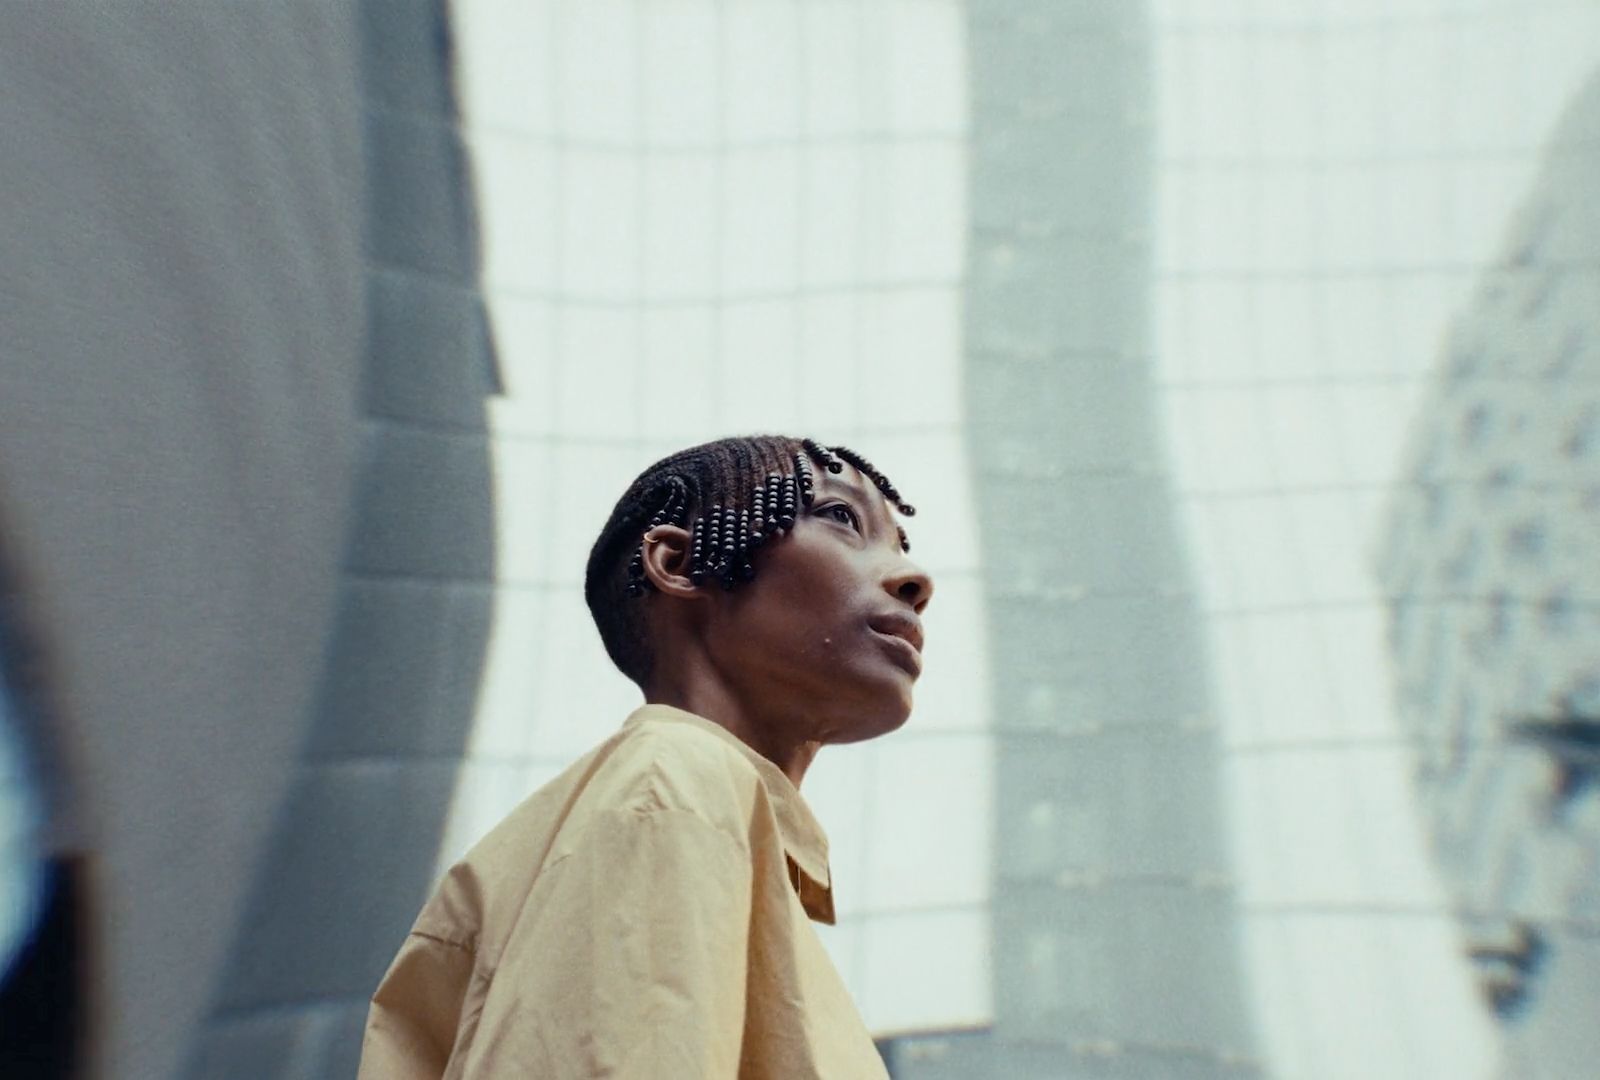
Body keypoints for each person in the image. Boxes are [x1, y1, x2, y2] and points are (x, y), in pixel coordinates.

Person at [358, 434, 934, 1078]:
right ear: (679, 564)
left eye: (900, 545)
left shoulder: (656, 812)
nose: (915, 581)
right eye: (841, 518)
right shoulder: (679, 782)